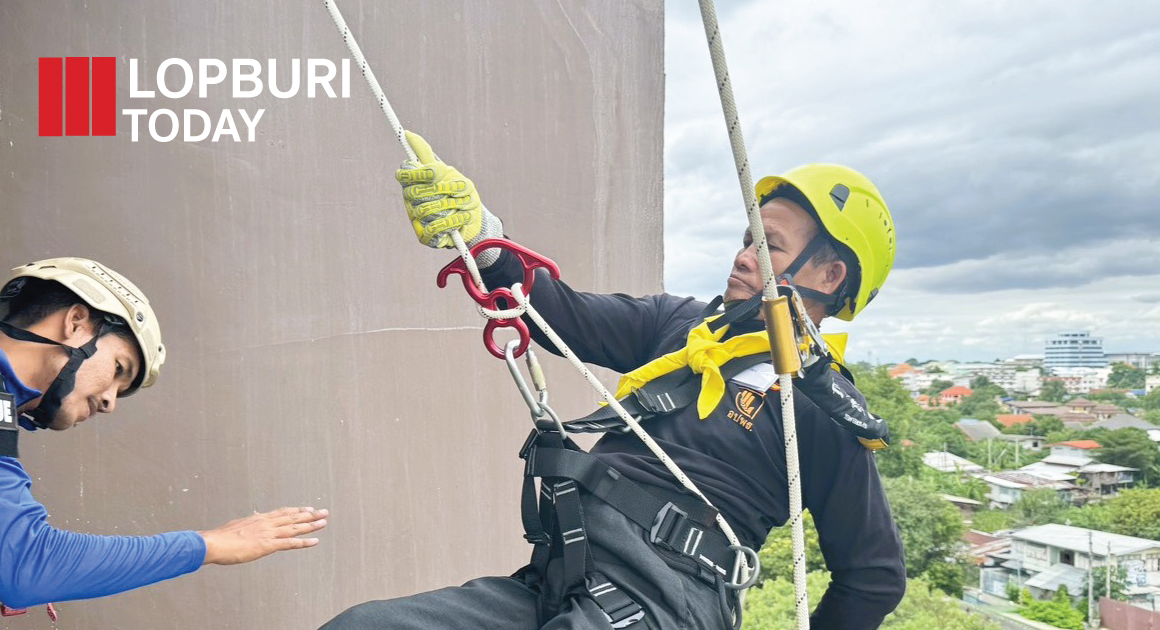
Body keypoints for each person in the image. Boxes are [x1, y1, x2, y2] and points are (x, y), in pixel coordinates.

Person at [319, 132, 905, 630]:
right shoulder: (679, 325)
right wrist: (480, 238)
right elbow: (561, 315)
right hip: (560, 578)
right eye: (748, 238)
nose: (744, 255)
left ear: (830, 275)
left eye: (769, 245)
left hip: (663, 602)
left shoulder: (825, 412)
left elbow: (874, 575)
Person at [0, 258, 329, 628]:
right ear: (75, 323)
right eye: (119, 369)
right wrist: (210, 545)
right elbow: (25, 566)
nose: (109, 402)